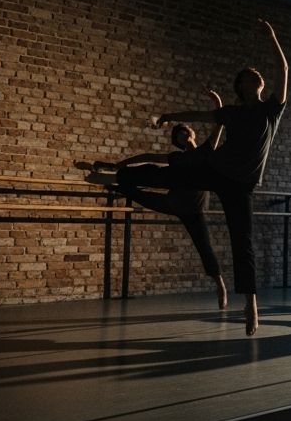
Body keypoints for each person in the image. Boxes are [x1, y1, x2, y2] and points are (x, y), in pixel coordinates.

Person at [130, 17, 288, 336]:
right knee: (174, 172)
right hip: (217, 170)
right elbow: (199, 115)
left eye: (255, 74)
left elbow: (284, 71)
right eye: (247, 75)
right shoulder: (232, 112)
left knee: (242, 242)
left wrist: (272, 37)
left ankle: (251, 304)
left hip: (241, 185)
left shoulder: (271, 109)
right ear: (242, 86)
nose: (254, 74)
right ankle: (124, 175)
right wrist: (166, 117)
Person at [80, 90, 228, 308]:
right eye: (178, 135)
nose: (182, 135)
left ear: (192, 133)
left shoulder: (207, 150)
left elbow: (220, 122)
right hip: (173, 201)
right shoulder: (176, 157)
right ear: (177, 142)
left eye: (184, 131)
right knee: (143, 180)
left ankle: (221, 287)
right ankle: (114, 176)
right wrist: (119, 164)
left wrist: (217, 101)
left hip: (194, 210)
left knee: (204, 247)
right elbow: (147, 157)